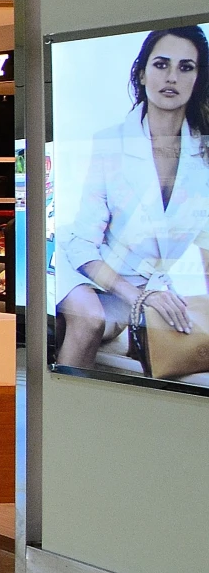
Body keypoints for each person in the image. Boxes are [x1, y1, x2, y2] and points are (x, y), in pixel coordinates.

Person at [57, 25, 209, 369]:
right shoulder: (110, 143)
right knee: (91, 320)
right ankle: (64, 412)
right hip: (86, 267)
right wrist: (139, 297)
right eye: (161, 64)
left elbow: (206, 243)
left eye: (186, 67)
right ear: (141, 73)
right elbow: (82, 245)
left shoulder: (204, 151)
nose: (172, 76)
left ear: (198, 78)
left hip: (144, 282)